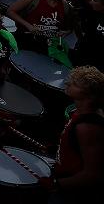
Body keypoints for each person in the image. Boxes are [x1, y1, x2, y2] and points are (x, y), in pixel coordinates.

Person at [41, 66, 104, 202]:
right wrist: (60, 150)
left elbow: (92, 175)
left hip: (71, 194)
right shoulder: (79, 111)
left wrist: (57, 184)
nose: (67, 83)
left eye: (75, 83)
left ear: (88, 95)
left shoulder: (87, 126)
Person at [7, 0, 74, 50]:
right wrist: (29, 26)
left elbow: (69, 27)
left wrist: (66, 32)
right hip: (26, 40)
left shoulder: (66, 6)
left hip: (50, 44)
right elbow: (10, 11)